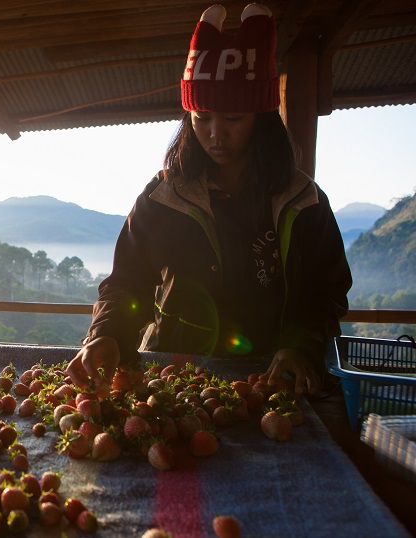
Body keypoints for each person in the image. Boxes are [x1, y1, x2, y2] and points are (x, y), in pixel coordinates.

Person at [66, 3, 352, 396]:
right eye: (202, 117)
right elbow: (126, 281)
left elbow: (327, 291)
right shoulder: (163, 197)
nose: (216, 133)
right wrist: (108, 333)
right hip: (173, 378)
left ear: (261, 118)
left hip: (268, 382)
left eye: (233, 119)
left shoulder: (303, 202)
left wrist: (301, 347)